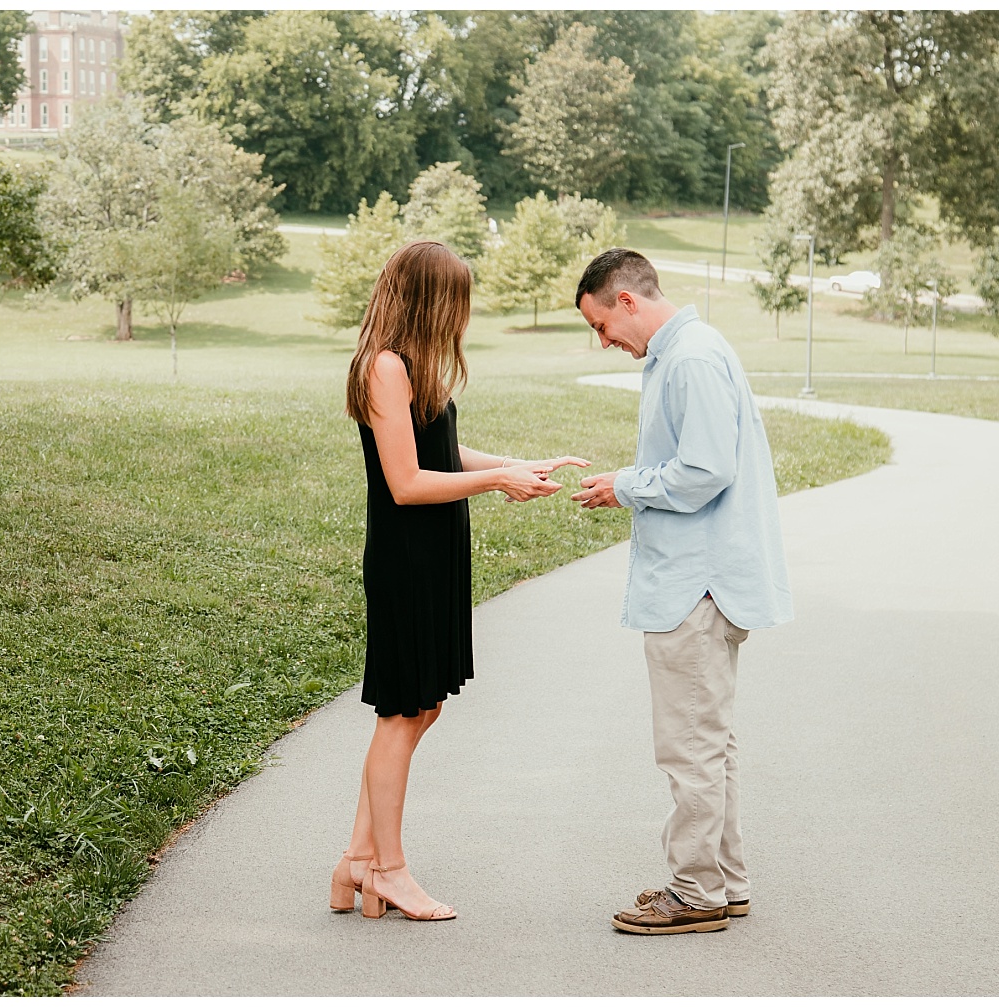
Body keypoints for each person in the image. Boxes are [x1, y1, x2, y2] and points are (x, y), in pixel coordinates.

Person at [333, 240, 588, 922]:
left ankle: (355, 862)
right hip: (406, 557)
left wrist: (517, 463)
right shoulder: (385, 366)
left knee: (420, 707)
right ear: (429, 299)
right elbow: (407, 482)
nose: (464, 316)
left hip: (435, 554)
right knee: (402, 711)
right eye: (458, 301)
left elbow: (439, 452)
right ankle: (387, 870)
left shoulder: (412, 366)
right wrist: (496, 480)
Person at [570, 248, 792, 935]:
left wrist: (624, 484)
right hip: (703, 580)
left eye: (602, 325)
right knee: (710, 741)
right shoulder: (688, 351)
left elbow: (702, 470)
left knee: (689, 746)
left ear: (627, 300)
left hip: (696, 586)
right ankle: (725, 880)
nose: (603, 342)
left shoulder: (690, 357)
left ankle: (694, 891)